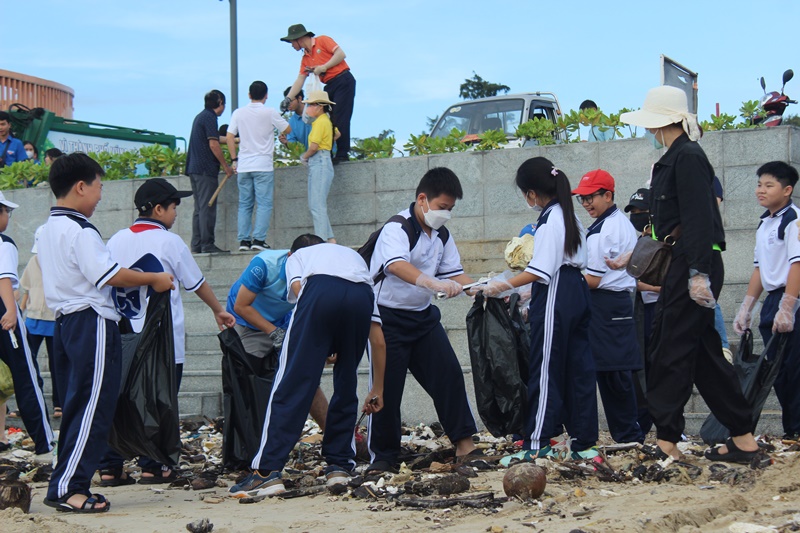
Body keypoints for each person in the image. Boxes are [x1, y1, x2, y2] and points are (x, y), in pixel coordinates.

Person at [614, 85, 759, 463]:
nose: (648, 131)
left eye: (651, 124)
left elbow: (699, 219)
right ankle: (743, 439)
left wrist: (697, 274)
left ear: (663, 122)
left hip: (694, 263)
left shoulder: (688, 157)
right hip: (685, 262)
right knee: (703, 354)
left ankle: (666, 441)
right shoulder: (675, 157)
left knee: (670, 349)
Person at [38, 153, 174, 513]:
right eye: (99, 187)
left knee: (76, 407)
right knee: (93, 408)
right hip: (91, 323)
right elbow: (110, 275)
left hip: (65, 324)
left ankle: (64, 482)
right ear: (81, 187)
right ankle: (70, 489)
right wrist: (153, 279)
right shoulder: (80, 230)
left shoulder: (46, 229)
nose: (101, 196)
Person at [98, 177, 236, 485]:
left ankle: (110, 466)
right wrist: (218, 309)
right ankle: (153, 465)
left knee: (116, 399)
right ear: (159, 209)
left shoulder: (116, 239)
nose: (176, 213)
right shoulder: (169, 242)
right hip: (162, 340)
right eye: (174, 207)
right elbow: (196, 282)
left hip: (121, 337)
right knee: (160, 399)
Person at [229, 235, 386, 497]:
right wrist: (377, 388)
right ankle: (340, 467)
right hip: (361, 295)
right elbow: (378, 341)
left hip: (319, 293)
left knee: (290, 383)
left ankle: (266, 473)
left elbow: (303, 294)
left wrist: (317, 339)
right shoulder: (351, 258)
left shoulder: (297, 258)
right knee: (346, 382)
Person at [477, 157, 599, 462]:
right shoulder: (570, 216)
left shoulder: (549, 220)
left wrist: (499, 285)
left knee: (545, 369)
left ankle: (535, 442)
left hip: (556, 290)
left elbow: (541, 270)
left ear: (531, 193)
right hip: (576, 290)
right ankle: (584, 444)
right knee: (579, 369)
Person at [366, 167, 480, 474]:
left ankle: (465, 445)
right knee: (387, 389)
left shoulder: (441, 233)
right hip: (387, 319)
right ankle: (384, 456)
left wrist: (478, 288)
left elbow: (454, 272)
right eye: (443, 207)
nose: (446, 214)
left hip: (423, 319)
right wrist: (433, 284)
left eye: (451, 209)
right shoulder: (397, 228)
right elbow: (396, 265)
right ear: (422, 199)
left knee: (449, 376)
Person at [573, 169, 644, 444]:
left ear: (608, 195)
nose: (587, 203)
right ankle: (626, 434)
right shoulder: (606, 224)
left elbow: (592, 279)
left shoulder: (609, 227)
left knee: (614, 373)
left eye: (592, 197)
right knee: (608, 371)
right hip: (606, 305)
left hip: (609, 304)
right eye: (582, 199)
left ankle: (629, 435)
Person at [226, 244, 330, 430]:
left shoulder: (319, 270)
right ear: (289, 256)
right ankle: (255, 440)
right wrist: (274, 333)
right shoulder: (265, 264)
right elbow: (241, 306)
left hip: (282, 318)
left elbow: (314, 309)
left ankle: (335, 437)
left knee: (306, 376)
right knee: (253, 381)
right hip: (245, 320)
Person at [733, 161, 800, 440]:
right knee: (778, 371)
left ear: (787, 190)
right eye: (759, 184)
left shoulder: (793, 219)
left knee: (795, 369)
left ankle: (795, 429)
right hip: (774, 300)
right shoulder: (764, 223)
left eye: (768, 185)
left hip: (792, 298)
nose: (761, 190)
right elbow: (760, 269)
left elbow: (797, 264)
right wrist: (747, 307)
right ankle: (793, 428)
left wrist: (788, 306)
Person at [0, 192, 55, 457]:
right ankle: (44, 442)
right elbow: (4, 279)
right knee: (26, 378)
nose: (8, 218)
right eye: (6, 213)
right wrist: (11, 311)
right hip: (4, 312)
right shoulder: (4, 242)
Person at [226, 81, 291, 252]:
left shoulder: (238, 113)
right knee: (264, 204)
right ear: (266, 95)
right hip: (263, 164)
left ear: (249, 95)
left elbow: (230, 136)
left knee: (245, 204)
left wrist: (234, 159)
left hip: (244, 165)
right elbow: (288, 129)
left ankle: (244, 241)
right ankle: (259, 240)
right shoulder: (270, 112)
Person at [280, 24, 355, 163]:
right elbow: (300, 79)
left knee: (340, 117)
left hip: (343, 79)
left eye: (291, 42)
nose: (291, 45)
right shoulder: (305, 58)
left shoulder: (322, 40)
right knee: (327, 118)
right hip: (329, 85)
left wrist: (323, 67)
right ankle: (331, 152)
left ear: (299, 39)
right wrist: (288, 98)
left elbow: (341, 54)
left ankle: (343, 154)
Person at [625, 187, 657, 436]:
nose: (637, 215)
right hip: (640, 310)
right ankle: (643, 424)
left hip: (662, 309)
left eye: (641, 211)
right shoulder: (637, 241)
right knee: (641, 371)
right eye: (633, 211)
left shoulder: (666, 238)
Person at [186, 90, 234, 254]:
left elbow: (214, 137)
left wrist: (234, 140)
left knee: (199, 208)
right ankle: (207, 243)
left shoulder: (201, 116)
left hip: (195, 169)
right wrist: (226, 166)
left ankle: (197, 244)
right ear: (220, 102)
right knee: (208, 206)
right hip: (205, 170)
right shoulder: (210, 117)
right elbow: (213, 144)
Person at [19, 225, 60, 418]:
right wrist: (20, 309)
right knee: (27, 360)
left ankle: (58, 404)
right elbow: (26, 288)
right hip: (33, 319)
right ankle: (32, 401)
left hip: (54, 319)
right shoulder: (33, 262)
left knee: (57, 363)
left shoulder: (61, 263)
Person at [300, 91, 339, 244]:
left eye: (310, 104)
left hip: (320, 162)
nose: (308, 107)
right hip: (322, 161)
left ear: (319, 106)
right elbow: (337, 134)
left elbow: (314, 146)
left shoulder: (320, 122)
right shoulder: (325, 121)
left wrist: (304, 156)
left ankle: (322, 241)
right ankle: (329, 239)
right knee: (317, 204)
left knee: (317, 205)